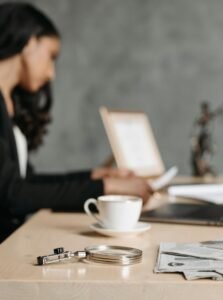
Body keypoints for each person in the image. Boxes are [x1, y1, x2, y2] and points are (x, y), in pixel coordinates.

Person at [0, 2, 152, 242]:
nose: (51, 73)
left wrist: (93, 176)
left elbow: (25, 182)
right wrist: (106, 188)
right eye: (51, 57)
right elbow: (12, 195)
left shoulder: (8, 102)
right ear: (30, 42)